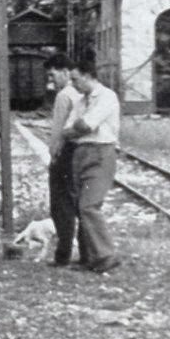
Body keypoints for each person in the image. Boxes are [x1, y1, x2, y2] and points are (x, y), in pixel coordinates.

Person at [65, 55, 121, 274]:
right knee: (81, 206)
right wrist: (77, 128)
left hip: (101, 152)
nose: (73, 84)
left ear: (88, 76)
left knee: (89, 205)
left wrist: (79, 127)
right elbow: (68, 129)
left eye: (76, 79)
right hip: (80, 153)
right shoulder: (80, 101)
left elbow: (86, 125)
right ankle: (89, 257)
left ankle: (106, 255)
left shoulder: (107, 97)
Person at [43, 53, 85, 267]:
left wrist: (53, 154)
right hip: (80, 152)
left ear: (65, 72)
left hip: (65, 153)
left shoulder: (64, 96)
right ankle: (85, 252)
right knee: (79, 203)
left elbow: (58, 130)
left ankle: (63, 255)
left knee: (61, 205)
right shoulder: (81, 93)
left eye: (53, 75)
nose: (52, 80)